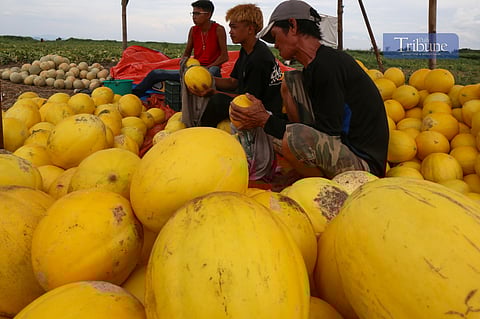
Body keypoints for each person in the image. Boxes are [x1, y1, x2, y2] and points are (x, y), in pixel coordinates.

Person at [230, 0, 389, 178]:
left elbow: (327, 134)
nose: (275, 45)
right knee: (289, 82)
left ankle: (316, 183)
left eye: (275, 37)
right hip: (339, 148)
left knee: (292, 138)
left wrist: (266, 120)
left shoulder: (328, 66)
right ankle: (303, 171)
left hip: (363, 166)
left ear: (293, 26)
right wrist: (265, 119)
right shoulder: (315, 67)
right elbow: (316, 126)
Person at [188, 3, 285, 180]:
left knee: (217, 102)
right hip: (248, 99)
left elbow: (249, 100)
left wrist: (214, 93)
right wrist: (207, 80)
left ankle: (200, 138)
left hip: (264, 111)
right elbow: (233, 82)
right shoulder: (246, 50)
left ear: (250, 29)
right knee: (216, 96)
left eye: (234, 27)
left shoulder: (259, 58)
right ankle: (203, 134)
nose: (230, 31)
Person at [132, 0, 228, 97]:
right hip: (194, 69)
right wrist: (185, 64)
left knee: (211, 72)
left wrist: (206, 68)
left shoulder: (218, 30)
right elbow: (186, 54)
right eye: (193, 13)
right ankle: (134, 95)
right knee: (156, 73)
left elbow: (224, 57)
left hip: (211, 69)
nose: (194, 16)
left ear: (208, 15)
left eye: (197, 13)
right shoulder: (193, 30)